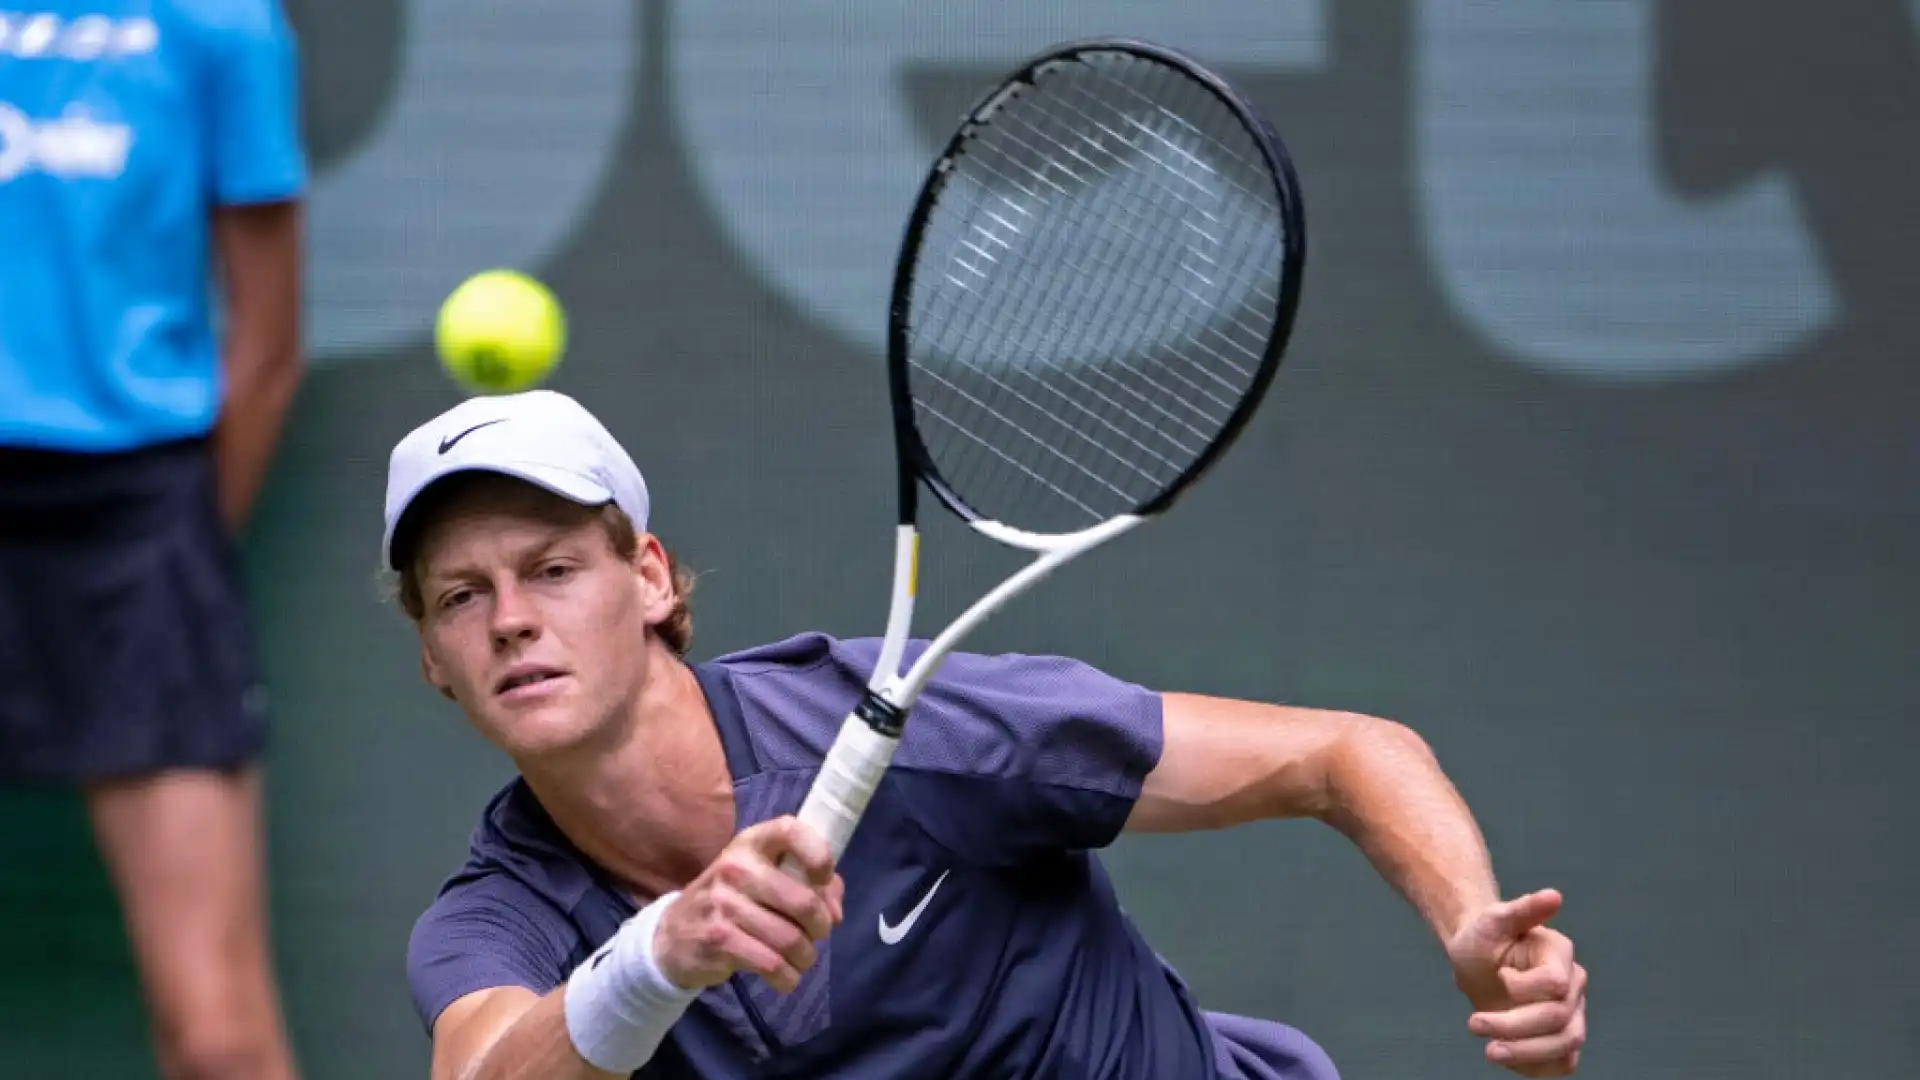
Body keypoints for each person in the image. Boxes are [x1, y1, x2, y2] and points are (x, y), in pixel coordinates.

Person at [390, 390, 1589, 1080]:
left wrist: (1470, 924)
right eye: (460, 597)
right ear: (435, 662)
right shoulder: (497, 916)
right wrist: (663, 954)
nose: (510, 622)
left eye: (550, 570)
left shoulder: (921, 731)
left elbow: (1341, 755)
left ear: (648, 578)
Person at [0, 4, 308, 1080]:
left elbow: (266, 340)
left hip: (133, 521)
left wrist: (178, 550)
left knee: (220, 1039)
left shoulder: (223, 24)